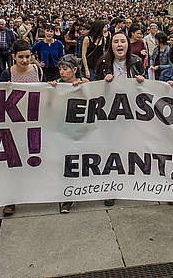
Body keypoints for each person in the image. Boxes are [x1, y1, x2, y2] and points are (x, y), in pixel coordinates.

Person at [94, 30, 145, 207]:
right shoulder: (102, 61)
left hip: (132, 113)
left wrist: (141, 81)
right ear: (111, 45)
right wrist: (103, 81)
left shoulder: (137, 62)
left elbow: (145, 87)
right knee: (111, 149)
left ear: (127, 44)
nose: (119, 45)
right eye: (116, 41)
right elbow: (94, 88)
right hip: (110, 114)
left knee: (130, 147)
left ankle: (131, 181)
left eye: (123, 41)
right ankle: (111, 187)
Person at [0, 40, 44, 216]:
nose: (25, 60)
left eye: (27, 56)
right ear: (13, 57)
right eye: (21, 57)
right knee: (14, 161)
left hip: (36, 121)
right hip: (15, 123)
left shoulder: (38, 71)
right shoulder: (6, 74)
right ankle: (11, 199)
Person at [48, 54, 89, 213]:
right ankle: (69, 196)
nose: (61, 72)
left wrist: (83, 87)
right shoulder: (56, 84)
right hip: (63, 129)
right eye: (60, 69)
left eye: (65, 69)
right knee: (67, 162)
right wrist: (50, 90)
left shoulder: (85, 83)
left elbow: (94, 98)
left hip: (83, 129)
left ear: (75, 70)